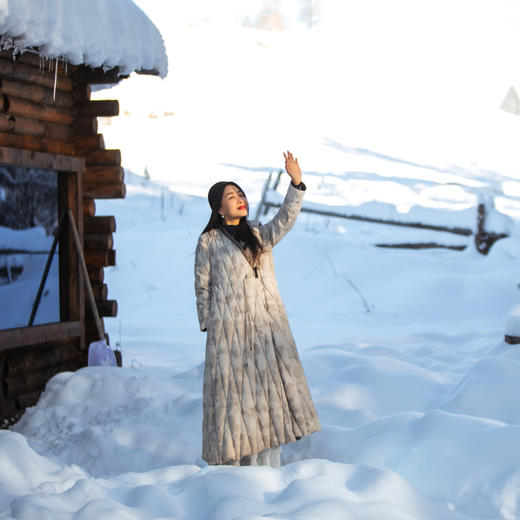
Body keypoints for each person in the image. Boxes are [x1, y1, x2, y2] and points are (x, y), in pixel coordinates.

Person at [194, 151, 320, 467]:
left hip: (264, 328)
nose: (239, 200)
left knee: (266, 397)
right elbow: (202, 284)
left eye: (241, 194)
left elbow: (285, 220)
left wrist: (296, 183)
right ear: (218, 208)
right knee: (235, 402)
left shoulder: (258, 234)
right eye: (231, 196)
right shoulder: (209, 241)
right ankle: (235, 474)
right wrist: (209, 323)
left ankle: (268, 469)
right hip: (229, 334)